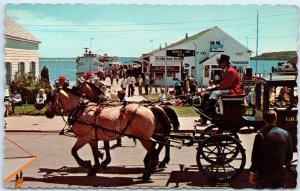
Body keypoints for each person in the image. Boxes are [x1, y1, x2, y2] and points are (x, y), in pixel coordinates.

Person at [249, 110, 293, 188]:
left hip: (264, 174)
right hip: (279, 173)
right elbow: (289, 156)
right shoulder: (285, 134)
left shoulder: (260, 135)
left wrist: (252, 172)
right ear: (276, 119)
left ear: (264, 120)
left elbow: (255, 157)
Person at [198, 54, 242, 124]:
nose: (219, 64)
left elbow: (227, 85)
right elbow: (223, 84)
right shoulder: (225, 71)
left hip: (233, 90)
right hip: (228, 89)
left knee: (214, 93)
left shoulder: (230, 71)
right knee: (207, 92)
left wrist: (214, 89)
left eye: (220, 63)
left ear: (225, 63)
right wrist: (212, 89)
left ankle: (205, 115)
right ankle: (203, 111)